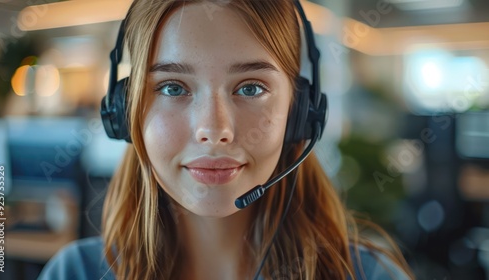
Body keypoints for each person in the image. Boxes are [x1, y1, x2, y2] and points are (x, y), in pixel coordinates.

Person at [39, 0, 414, 279]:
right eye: (172, 87)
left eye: (251, 88)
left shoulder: (370, 275)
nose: (214, 130)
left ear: (300, 112)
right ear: (126, 109)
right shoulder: (75, 273)